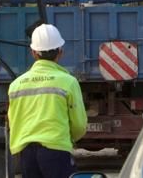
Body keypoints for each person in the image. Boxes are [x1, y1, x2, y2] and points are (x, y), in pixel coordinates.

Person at [7, 24, 87, 178]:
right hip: (57, 151)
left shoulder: (15, 85)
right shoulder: (68, 82)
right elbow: (79, 125)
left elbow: (13, 121)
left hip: (26, 154)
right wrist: (69, 139)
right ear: (60, 52)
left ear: (33, 53)